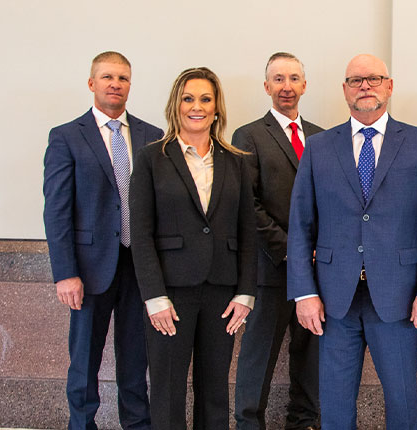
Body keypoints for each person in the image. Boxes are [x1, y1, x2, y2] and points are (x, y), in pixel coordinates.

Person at [287, 54, 417, 430]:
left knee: (403, 403)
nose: (366, 86)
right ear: (344, 90)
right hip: (333, 302)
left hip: (401, 298)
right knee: (335, 406)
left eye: (374, 79)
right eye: (356, 80)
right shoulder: (318, 147)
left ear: (389, 86)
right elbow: (301, 226)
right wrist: (304, 293)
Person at [128, 67, 255, 430]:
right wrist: (154, 296)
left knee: (215, 390)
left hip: (222, 292)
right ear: (175, 105)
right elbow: (141, 233)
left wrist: (246, 292)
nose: (196, 107)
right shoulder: (152, 158)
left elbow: (248, 231)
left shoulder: (237, 161)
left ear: (217, 108)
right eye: (188, 98)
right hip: (170, 294)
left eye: (205, 99)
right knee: (167, 390)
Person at [43, 51, 162, 430]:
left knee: (135, 359)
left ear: (130, 84)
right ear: (92, 83)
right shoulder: (65, 137)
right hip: (89, 270)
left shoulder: (152, 136)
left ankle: (137, 425)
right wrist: (65, 273)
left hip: (138, 266)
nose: (116, 84)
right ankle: (81, 425)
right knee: (84, 360)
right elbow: (57, 211)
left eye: (123, 78)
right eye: (108, 77)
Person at [232, 52, 324, 430]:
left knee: (311, 357)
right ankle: (248, 424)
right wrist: (291, 251)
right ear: (267, 86)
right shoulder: (249, 135)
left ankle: (303, 422)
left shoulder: (322, 137)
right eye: (278, 79)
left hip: (318, 272)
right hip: (271, 271)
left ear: (305, 84)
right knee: (258, 356)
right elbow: (247, 205)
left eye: (294, 78)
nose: (287, 86)